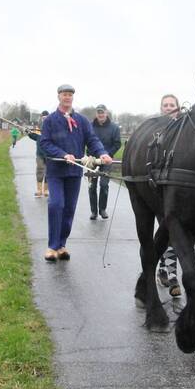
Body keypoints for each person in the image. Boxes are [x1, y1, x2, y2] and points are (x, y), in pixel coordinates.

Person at [39, 84, 112, 262]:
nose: (67, 97)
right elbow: (45, 143)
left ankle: (62, 245)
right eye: (64, 94)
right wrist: (63, 155)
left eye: (70, 95)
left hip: (74, 172)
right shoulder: (49, 121)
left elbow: (92, 139)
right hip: (56, 171)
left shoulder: (82, 120)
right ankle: (52, 246)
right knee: (56, 205)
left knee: (69, 209)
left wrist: (102, 152)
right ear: (58, 97)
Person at [157, 94, 182, 296]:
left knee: (171, 236)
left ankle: (164, 271)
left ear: (178, 108)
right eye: (165, 105)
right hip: (158, 189)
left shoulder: (184, 130)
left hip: (179, 189)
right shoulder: (156, 129)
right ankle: (171, 276)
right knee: (168, 234)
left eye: (171, 105)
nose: (168, 108)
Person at [88, 104, 122, 220]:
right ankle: (93, 211)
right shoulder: (90, 126)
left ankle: (102, 209)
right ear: (96, 114)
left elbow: (117, 143)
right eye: (98, 112)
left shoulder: (114, 128)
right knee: (92, 186)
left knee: (104, 185)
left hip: (107, 160)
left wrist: (107, 154)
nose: (100, 114)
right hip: (92, 160)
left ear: (106, 113)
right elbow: (86, 141)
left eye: (102, 112)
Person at [27, 110, 49, 197]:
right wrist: (29, 132)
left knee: (48, 172)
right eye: (43, 118)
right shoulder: (38, 128)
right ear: (41, 118)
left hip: (49, 154)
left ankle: (46, 190)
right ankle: (39, 190)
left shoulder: (52, 127)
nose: (44, 119)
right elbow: (34, 136)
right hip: (40, 154)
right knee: (40, 170)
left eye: (46, 117)